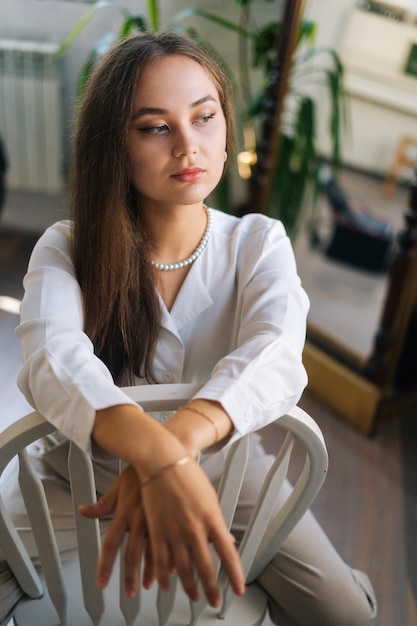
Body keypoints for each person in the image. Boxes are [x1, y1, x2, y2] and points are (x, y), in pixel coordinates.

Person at [0, 32, 377, 625]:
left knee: (347, 614)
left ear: (227, 129)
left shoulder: (257, 242)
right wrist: (160, 460)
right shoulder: (68, 246)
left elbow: (275, 352)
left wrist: (168, 454)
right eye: (154, 127)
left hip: (229, 471)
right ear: (113, 146)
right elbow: (52, 356)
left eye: (204, 118)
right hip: (73, 474)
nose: (188, 146)